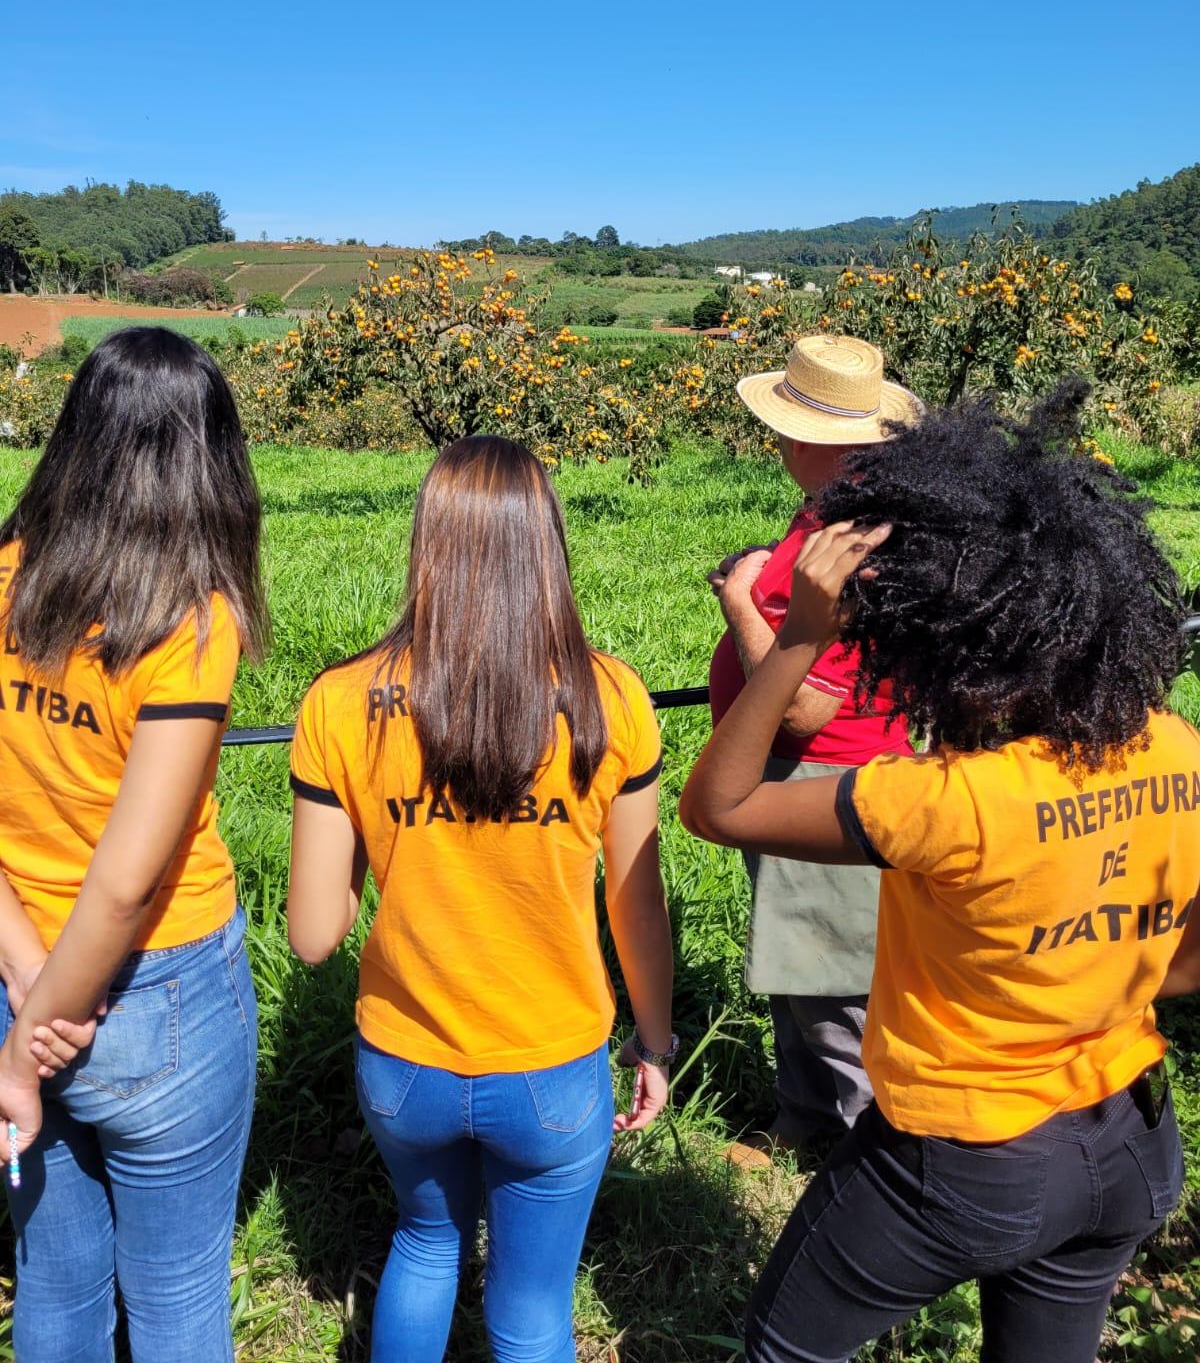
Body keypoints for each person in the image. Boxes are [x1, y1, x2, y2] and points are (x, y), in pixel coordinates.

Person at [681, 381, 1200, 1363]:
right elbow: (1185, 965)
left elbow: (720, 806)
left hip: (959, 1157)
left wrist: (800, 636)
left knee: (786, 1349)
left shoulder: (947, 798)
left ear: (946, 641)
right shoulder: (1175, 745)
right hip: (1130, 1133)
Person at [287, 434, 675, 1363]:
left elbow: (310, 937)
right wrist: (654, 1043)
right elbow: (635, 905)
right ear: (547, 544)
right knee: (534, 1311)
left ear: (428, 542)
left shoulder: (338, 703)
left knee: (424, 1245)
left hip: (405, 1064)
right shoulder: (610, 699)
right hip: (552, 1069)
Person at [0, 327, 267, 1362]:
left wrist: (26, 981)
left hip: (19, 969)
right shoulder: (188, 622)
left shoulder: (7, 575)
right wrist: (35, 1039)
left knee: (55, 1280)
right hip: (156, 992)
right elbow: (125, 881)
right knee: (177, 1289)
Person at [707, 333, 920, 1147]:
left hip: (822, 777)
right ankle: (802, 1125)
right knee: (800, 967)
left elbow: (805, 710)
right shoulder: (848, 515)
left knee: (831, 981)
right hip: (825, 777)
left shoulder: (856, 543)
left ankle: (862, 1159)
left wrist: (737, 603)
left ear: (806, 438)